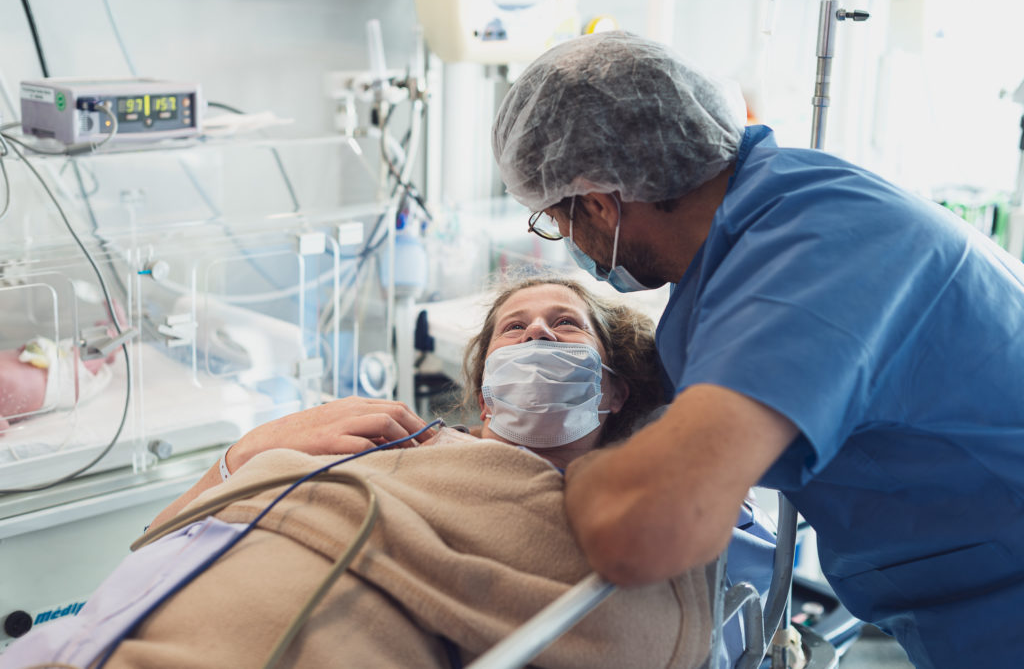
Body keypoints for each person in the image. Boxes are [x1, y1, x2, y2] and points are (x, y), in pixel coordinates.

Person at [490, 30, 1024, 669]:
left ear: (601, 205)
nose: (538, 339)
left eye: (557, 221)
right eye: (512, 329)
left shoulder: (805, 252)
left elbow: (647, 524)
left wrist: (587, 475)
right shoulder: (769, 228)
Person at [2, 273, 762, 669]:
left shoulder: (609, 529)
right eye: (513, 328)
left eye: (565, 326)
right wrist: (246, 453)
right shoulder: (391, 439)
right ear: (482, 389)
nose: (536, 328)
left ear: (611, 389)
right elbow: (165, 543)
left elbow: (652, 639)